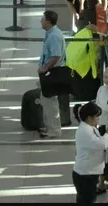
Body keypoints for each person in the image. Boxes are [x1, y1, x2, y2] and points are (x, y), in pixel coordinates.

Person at [72, 102, 108, 205]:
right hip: (84, 174)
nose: (99, 119)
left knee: (85, 199)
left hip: (89, 172)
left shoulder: (91, 128)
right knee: (88, 200)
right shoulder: (84, 131)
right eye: (97, 117)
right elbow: (101, 144)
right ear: (89, 118)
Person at [36, 10, 70, 139]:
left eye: (43, 19)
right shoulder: (51, 33)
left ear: (48, 21)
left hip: (52, 72)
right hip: (50, 72)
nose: (41, 21)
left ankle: (54, 130)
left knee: (50, 102)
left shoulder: (54, 36)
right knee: (46, 101)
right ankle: (49, 127)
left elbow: (56, 55)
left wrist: (45, 68)